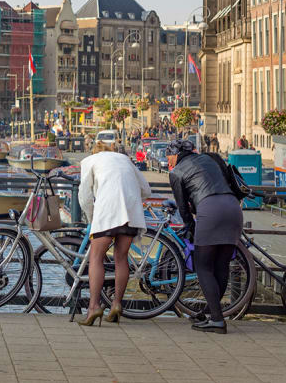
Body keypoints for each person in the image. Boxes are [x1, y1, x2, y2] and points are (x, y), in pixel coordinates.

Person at [168, 139, 242, 335]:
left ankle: (217, 320)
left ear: (176, 155)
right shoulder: (209, 159)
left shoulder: (176, 172)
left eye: (169, 156)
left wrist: (190, 227)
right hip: (233, 207)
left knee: (203, 266)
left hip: (210, 210)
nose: (168, 160)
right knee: (221, 265)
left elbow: (183, 207)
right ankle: (212, 314)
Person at [77, 141, 151, 326]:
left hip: (108, 210)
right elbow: (146, 190)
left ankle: (93, 307)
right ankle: (117, 304)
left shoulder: (90, 161)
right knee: (121, 258)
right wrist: (128, 197)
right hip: (130, 211)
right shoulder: (125, 159)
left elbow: (84, 196)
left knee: (96, 258)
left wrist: (92, 217)